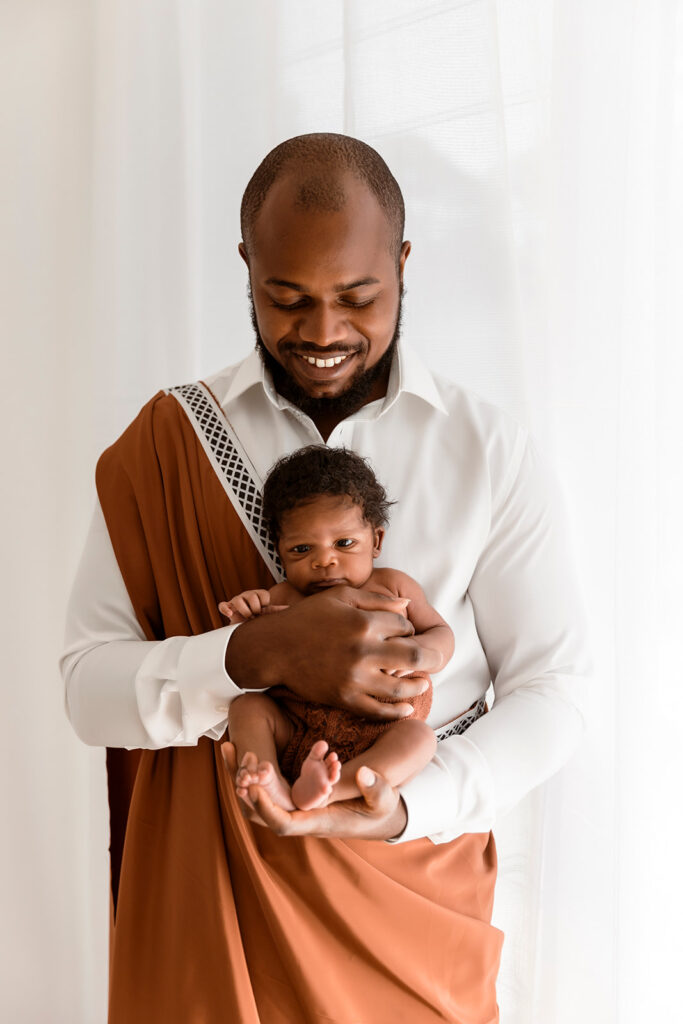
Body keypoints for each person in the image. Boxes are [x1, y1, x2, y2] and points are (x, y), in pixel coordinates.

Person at [61, 132, 591, 1023]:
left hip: (417, 904)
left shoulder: (487, 448)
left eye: (358, 297)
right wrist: (250, 655)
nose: (322, 332)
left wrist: (402, 804)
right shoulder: (164, 444)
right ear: (245, 266)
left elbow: (556, 688)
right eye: (285, 298)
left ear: (404, 264)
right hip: (214, 908)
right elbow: (86, 691)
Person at [221, 444, 455, 812]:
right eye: (301, 550)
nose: (324, 560)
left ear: (376, 541)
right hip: (296, 729)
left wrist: (423, 655)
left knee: (420, 739)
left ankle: (332, 790)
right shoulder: (283, 596)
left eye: (344, 543)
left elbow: (441, 632)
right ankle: (271, 781)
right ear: (279, 551)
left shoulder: (394, 586)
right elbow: (251, 651)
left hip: (381, 732)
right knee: (247, 708)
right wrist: (247, 614)